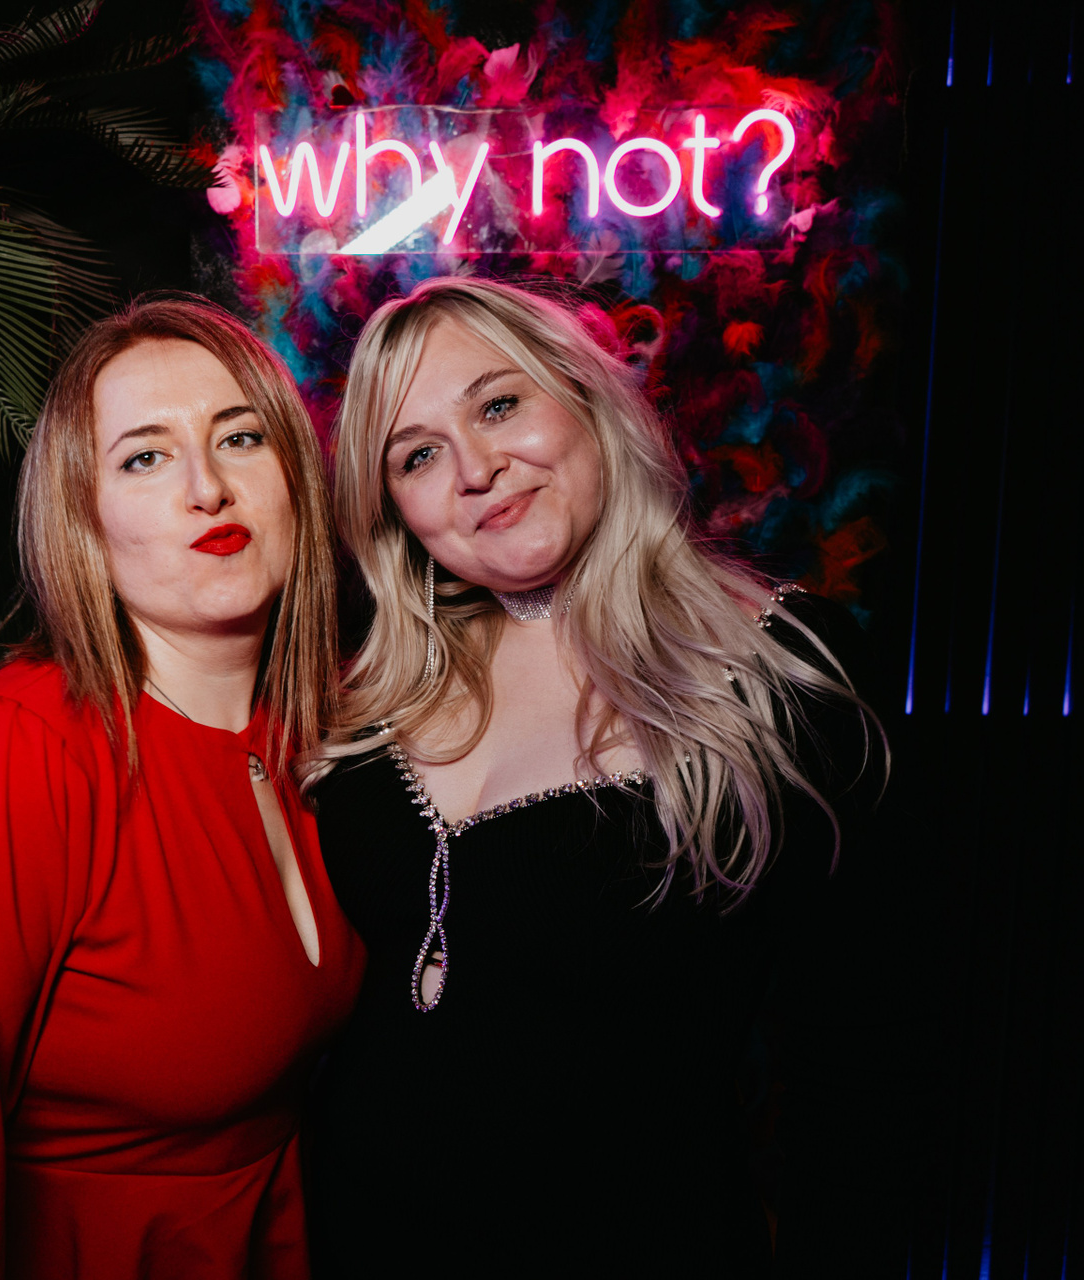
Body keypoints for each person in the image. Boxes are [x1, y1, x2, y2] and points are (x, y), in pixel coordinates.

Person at [0, 296, 364, 1280]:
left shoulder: (324, 728)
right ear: (84, 520)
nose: (208, 487)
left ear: (297, 472)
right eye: (145, 457)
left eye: (240, 437)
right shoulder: (12, 753)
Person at [302, 277, 885, 1276]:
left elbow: (865, 1057)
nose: (476, 469)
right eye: (417, 455)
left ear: (586, 397)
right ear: (394, 511)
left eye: (499, 405)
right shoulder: (373, 698)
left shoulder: (781, 669)